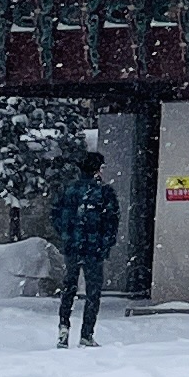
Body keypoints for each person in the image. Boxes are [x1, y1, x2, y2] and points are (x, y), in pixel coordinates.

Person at [51, 144, 118, 348]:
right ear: (97, 169)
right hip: (93, 250)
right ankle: (87, 333)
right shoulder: (104, 192)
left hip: (72, 247)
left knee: (69, 288)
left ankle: (64, 327)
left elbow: (56, 216)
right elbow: (111, 222)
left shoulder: (69, 190)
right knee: (93, 292)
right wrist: (104, 244)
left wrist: (67, 236)